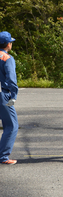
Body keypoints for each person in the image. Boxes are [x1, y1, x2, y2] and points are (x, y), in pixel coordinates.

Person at [0, 31, 18, 165]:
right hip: (2, 94)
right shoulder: (7, 58)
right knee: (11, 125)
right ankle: (3, 156)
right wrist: (14, 95)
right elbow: (11, 79)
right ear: (7, 44)